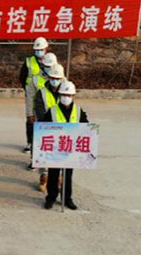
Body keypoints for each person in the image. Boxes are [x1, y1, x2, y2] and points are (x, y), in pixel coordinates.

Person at [40, 81, 88, 210]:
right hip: (55, 149)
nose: (66, 97)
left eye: (69, 95)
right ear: (59, 95)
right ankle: (51, 198)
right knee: (53, 175)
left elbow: (86, 127)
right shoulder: (52, 111)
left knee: (68, 175)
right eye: (64, 95)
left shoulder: (78, 111)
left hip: (70, 149)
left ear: (73, 96)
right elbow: (43, 128)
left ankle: (67, 199)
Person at [33, 62, 66, 192]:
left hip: (63, 128)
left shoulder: (66, 92)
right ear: (48, 77)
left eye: (57, 78)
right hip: (45, 127)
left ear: (62, 78)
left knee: (61, 152)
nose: (55, 80)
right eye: (53, 78)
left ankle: (59, 177)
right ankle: (44, 176)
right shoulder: (41, 92)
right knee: (45, 152)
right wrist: (48, 123)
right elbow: (39, 109)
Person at [19, 37, 49, 153]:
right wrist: (27, 88)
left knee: (47, 117)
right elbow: (22, 77)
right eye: (37, 50)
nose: (39, 52)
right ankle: (30, 142)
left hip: (47, 95)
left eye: (41, 49)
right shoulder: (29, 61)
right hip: (32, 93)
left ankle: (45, 142)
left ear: (46, 48)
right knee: (31, 117)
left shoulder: (51, 60)